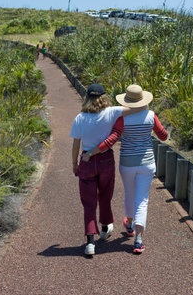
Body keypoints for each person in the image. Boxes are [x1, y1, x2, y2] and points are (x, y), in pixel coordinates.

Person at [83, 84, 168, 254]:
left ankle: (129, 224)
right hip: (147, 163)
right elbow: (163, 136)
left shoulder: (121, 118)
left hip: (127, 162)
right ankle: (138, 239)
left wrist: (92, 151)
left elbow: (112, 139)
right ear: (143, 99)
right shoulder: (151, 115)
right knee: (142, 200)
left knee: (129, 193)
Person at [70, 83, 145, 256]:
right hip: (105, 160)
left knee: (88, 202)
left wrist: (75, 164)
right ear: (104, 97)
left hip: (87, 160)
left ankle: (90, 242)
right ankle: (104, 229)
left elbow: (76, 145)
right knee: (105, 196)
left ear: (87, 98)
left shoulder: (80, 118)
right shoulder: (111, 112)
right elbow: (135, 107)